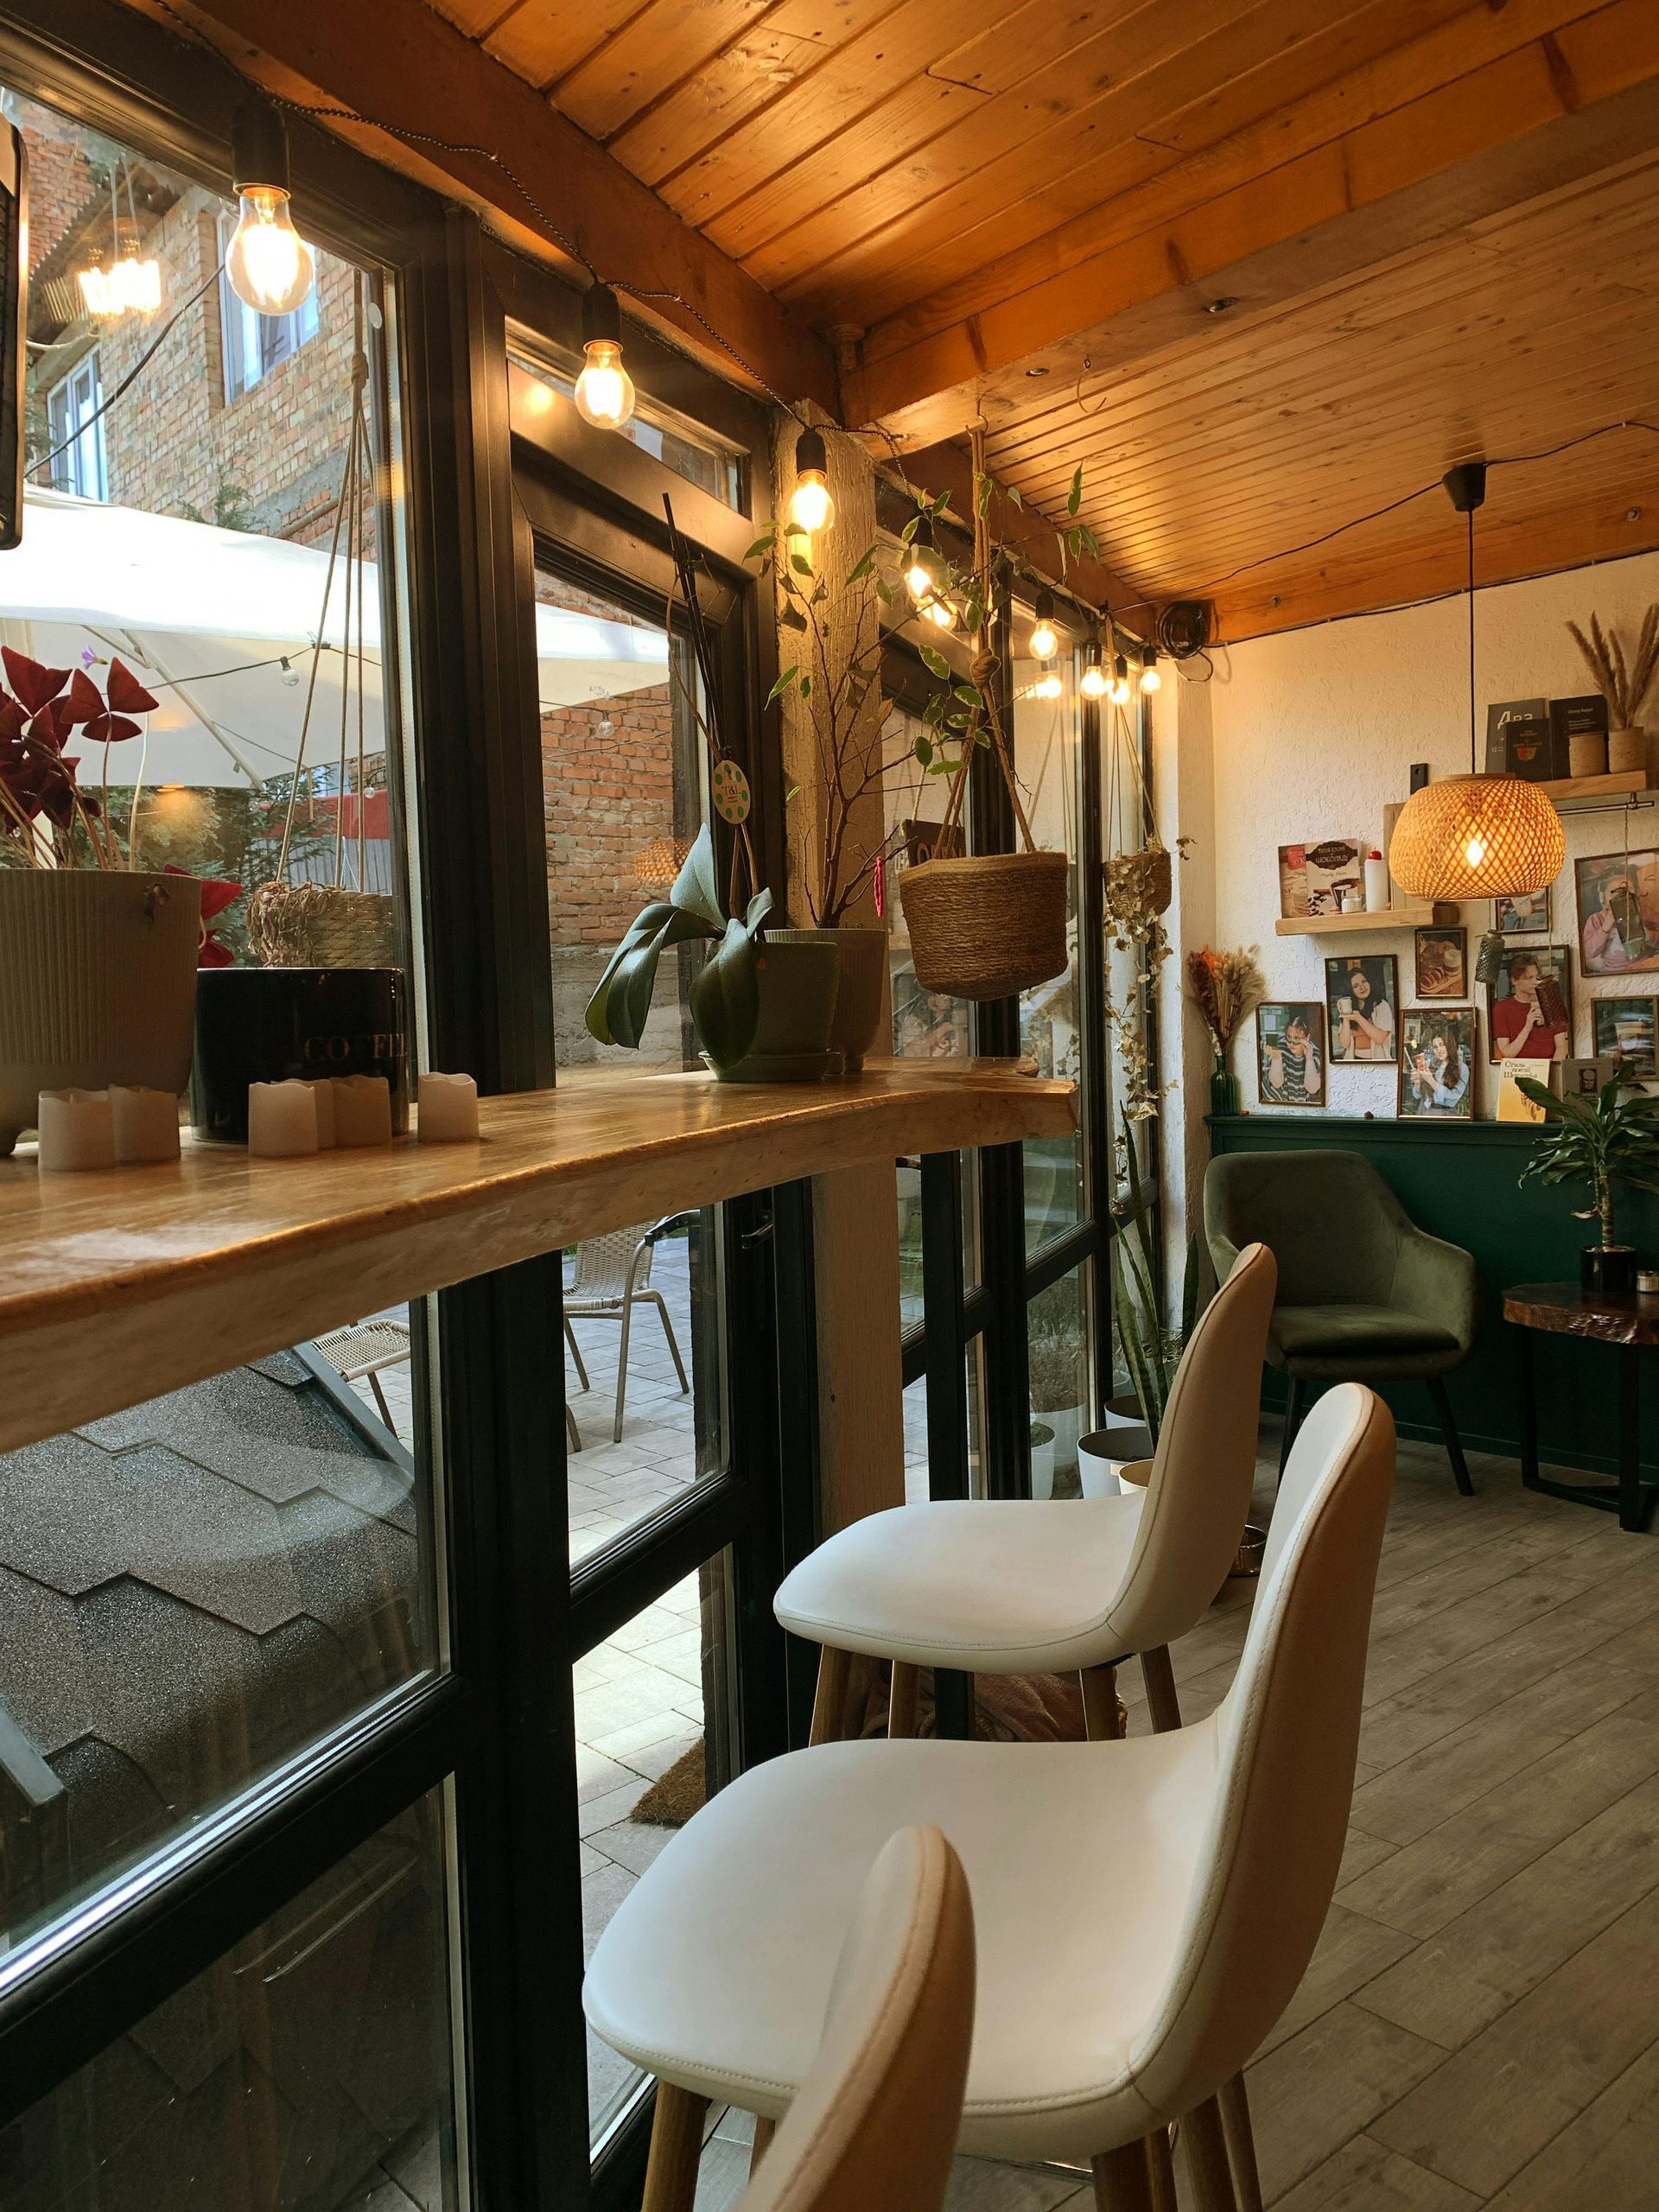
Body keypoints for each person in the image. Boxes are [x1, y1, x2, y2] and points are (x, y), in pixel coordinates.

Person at [1491, 953, 1568, 1060]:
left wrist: (1553, 1068)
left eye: (1536, 977)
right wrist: (1527, 1027)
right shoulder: (1502, 1009)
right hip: (1518, 1068)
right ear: (1514, 980)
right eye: (1529, 978)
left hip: (1549, 1066)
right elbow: (1507, 1053)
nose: (1535, 982)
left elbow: (1562, 1047)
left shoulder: (1552, 1004)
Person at [1332, 963, 1395, 1060]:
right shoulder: (1350, 1007)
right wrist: (1346, 1016)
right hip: (1354, 1060)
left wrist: (1358, 1018)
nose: (1362, 987)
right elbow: (1345, 1043)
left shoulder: (1382, 1005)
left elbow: (1380, 1038)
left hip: (1377, 1061)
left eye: (1364, 981)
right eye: (1356, 986)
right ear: (1350, 990)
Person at [1407, 1023, 1471, 1114]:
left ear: (1450, 1045)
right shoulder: (1428, 1063)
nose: (1439, 1050)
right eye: (1435, 1047)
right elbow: (1417, 1095)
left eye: (1442, 1045)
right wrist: (1418, 1082)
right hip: (1424, 1110)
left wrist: (1430, 1080)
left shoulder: (1462, 1068)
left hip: (1446, 1113)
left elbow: (1454, 1097)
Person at [1262, 1011, 1322, 1103]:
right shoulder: (1280, 1047)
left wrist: (1309, 1059)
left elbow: (1312, 1089)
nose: (1291, 1043)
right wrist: (1276, 1059)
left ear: (1307, 1038)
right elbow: (1276, 1084)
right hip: (1272, 1099)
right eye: (1289, 1037)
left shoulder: (1315, 1054)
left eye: (1297, 1038)